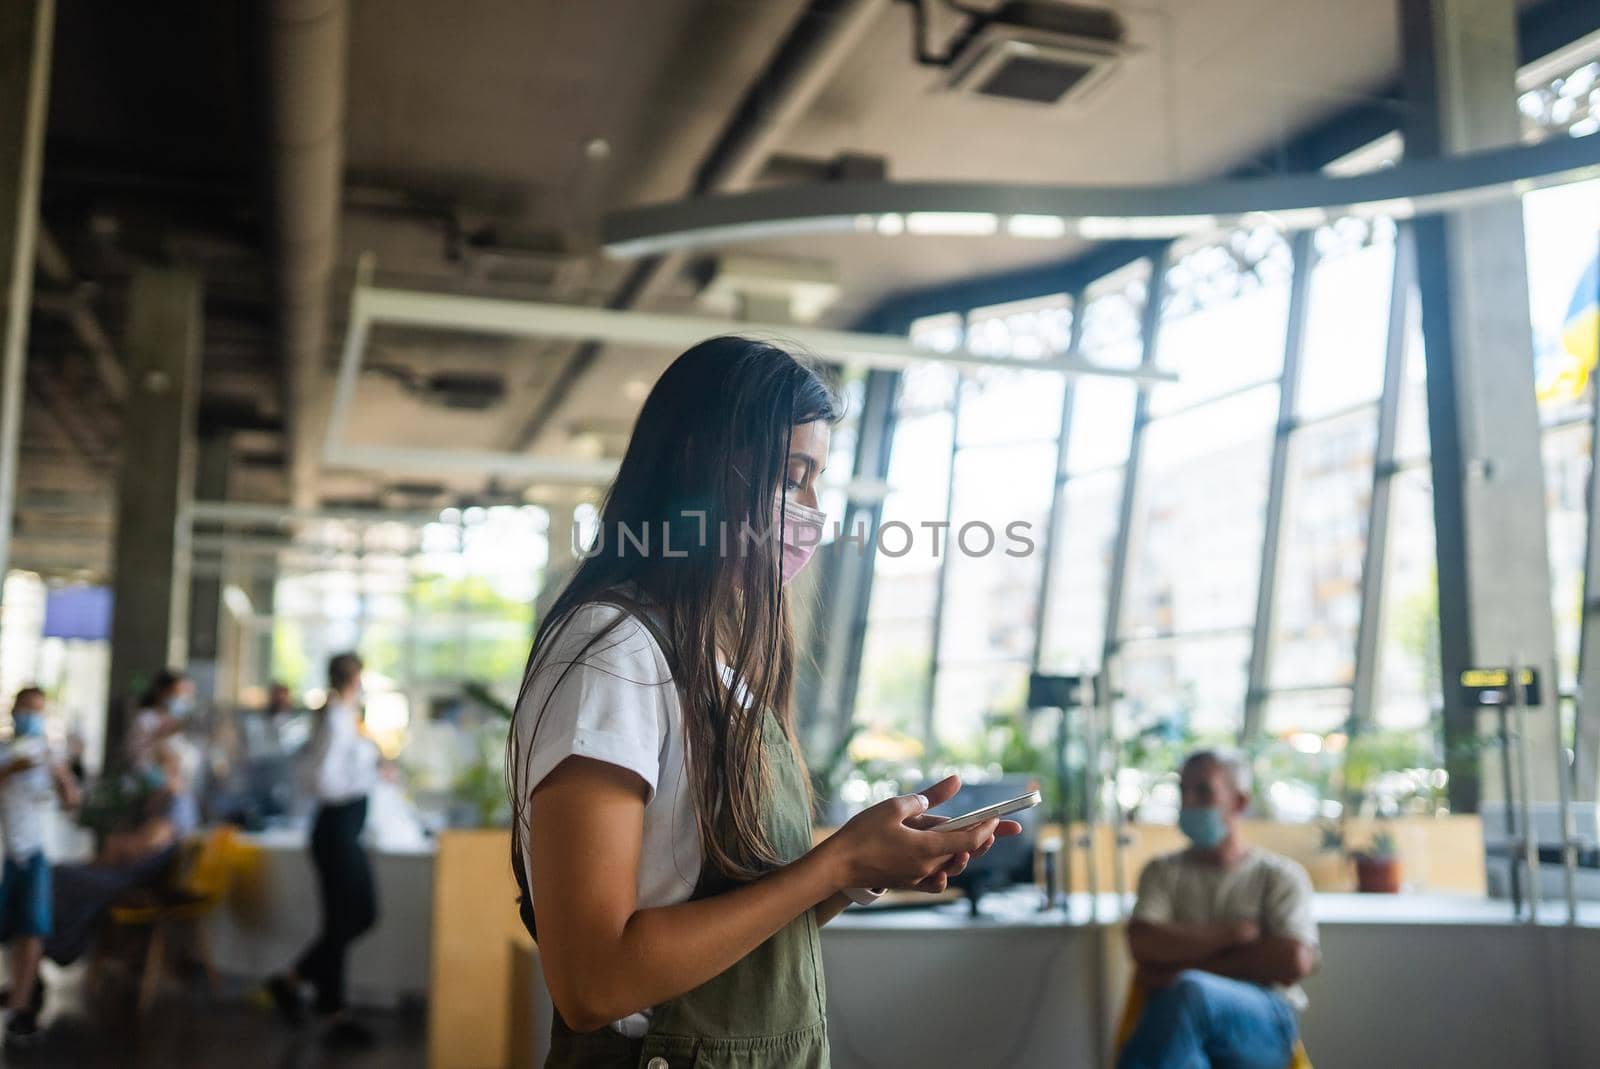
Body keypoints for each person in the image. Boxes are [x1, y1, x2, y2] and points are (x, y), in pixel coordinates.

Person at [507, 336, 1021, 1068]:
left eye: (817, 482)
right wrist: (832, 864)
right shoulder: (615, 652)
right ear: (696, 460)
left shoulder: (715, 665)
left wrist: (868, 865)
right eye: (790, 477)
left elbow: (730, 934)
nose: (813, 511)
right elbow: (594, 981)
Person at [1118, 749, 1319, 1069]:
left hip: (1264, 1023)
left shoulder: (1279, 876)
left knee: (1189, 992)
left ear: (1239, 802)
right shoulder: (1161, 871)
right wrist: (1234, 934)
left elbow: (1291, 960)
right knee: (1185, 1047)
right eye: (1182, 791)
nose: (1188, 801)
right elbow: (1143, 943)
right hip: (1176, 1024)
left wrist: (1176, 967)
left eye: (1203, 791)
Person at [266, 653, 380, 1048]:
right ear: (355, 677)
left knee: (347, 919)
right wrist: (363, 778)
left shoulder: (344, 714)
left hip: (344, 829)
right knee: (355, 915)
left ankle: (307, 991)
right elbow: (325, 779)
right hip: (335, 827)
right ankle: (324, 1003)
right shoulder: (334, 717)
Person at [0, 688, 81, 1045]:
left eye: (38, 711)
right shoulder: (5, 753)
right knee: (12, 928)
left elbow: (72, 802)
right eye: (26, 709)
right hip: (6, 852)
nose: (31, 716)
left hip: (35, 852)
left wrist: (60, 773)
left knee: (31, 927)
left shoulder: (50, 756)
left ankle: (21, 1004)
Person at [125, 668, 201, 834]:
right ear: (162, 692)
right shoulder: (145, 720)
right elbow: (140, 761)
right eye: (178, 693)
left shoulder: (178, 727)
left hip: (177, 793)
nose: (183, 699)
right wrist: (163, 781)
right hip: (155, 797)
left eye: (186, 694)